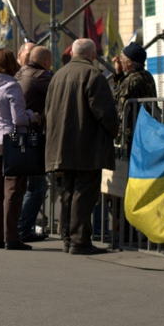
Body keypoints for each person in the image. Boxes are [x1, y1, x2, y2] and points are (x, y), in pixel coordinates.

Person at [45, 38, 119, 255]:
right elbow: (105, 112)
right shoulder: (93, 74)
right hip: (86, 145)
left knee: (67, 191)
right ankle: (79, 241)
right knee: (84, 193)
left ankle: (68, 238)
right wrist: (114, 130)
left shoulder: (58, 75)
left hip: (60, 144)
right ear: (93, 55)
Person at [0, 48, 39, 251]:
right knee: (13, 190)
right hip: (12, 141)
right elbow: (19, 118)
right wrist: (33, 115)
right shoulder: (11, 86)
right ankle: (11, 237)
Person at [15, 45, 53, 243]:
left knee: (24, 186)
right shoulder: (41, 76)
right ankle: (23, 228)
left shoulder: (20, 73)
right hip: (32, 137)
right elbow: (60, 91)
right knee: (37, 187)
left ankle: (18, 227)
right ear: (46, 62)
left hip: (19, 137)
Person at [112, 42, 157, 144]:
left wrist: (118, 76)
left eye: (122, 58)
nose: (120, 61)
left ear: (129, 62)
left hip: (131, 133)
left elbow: (118, 101)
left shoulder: (131, 80)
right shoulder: (147, 76)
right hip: (146, 129)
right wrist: (119, 74)